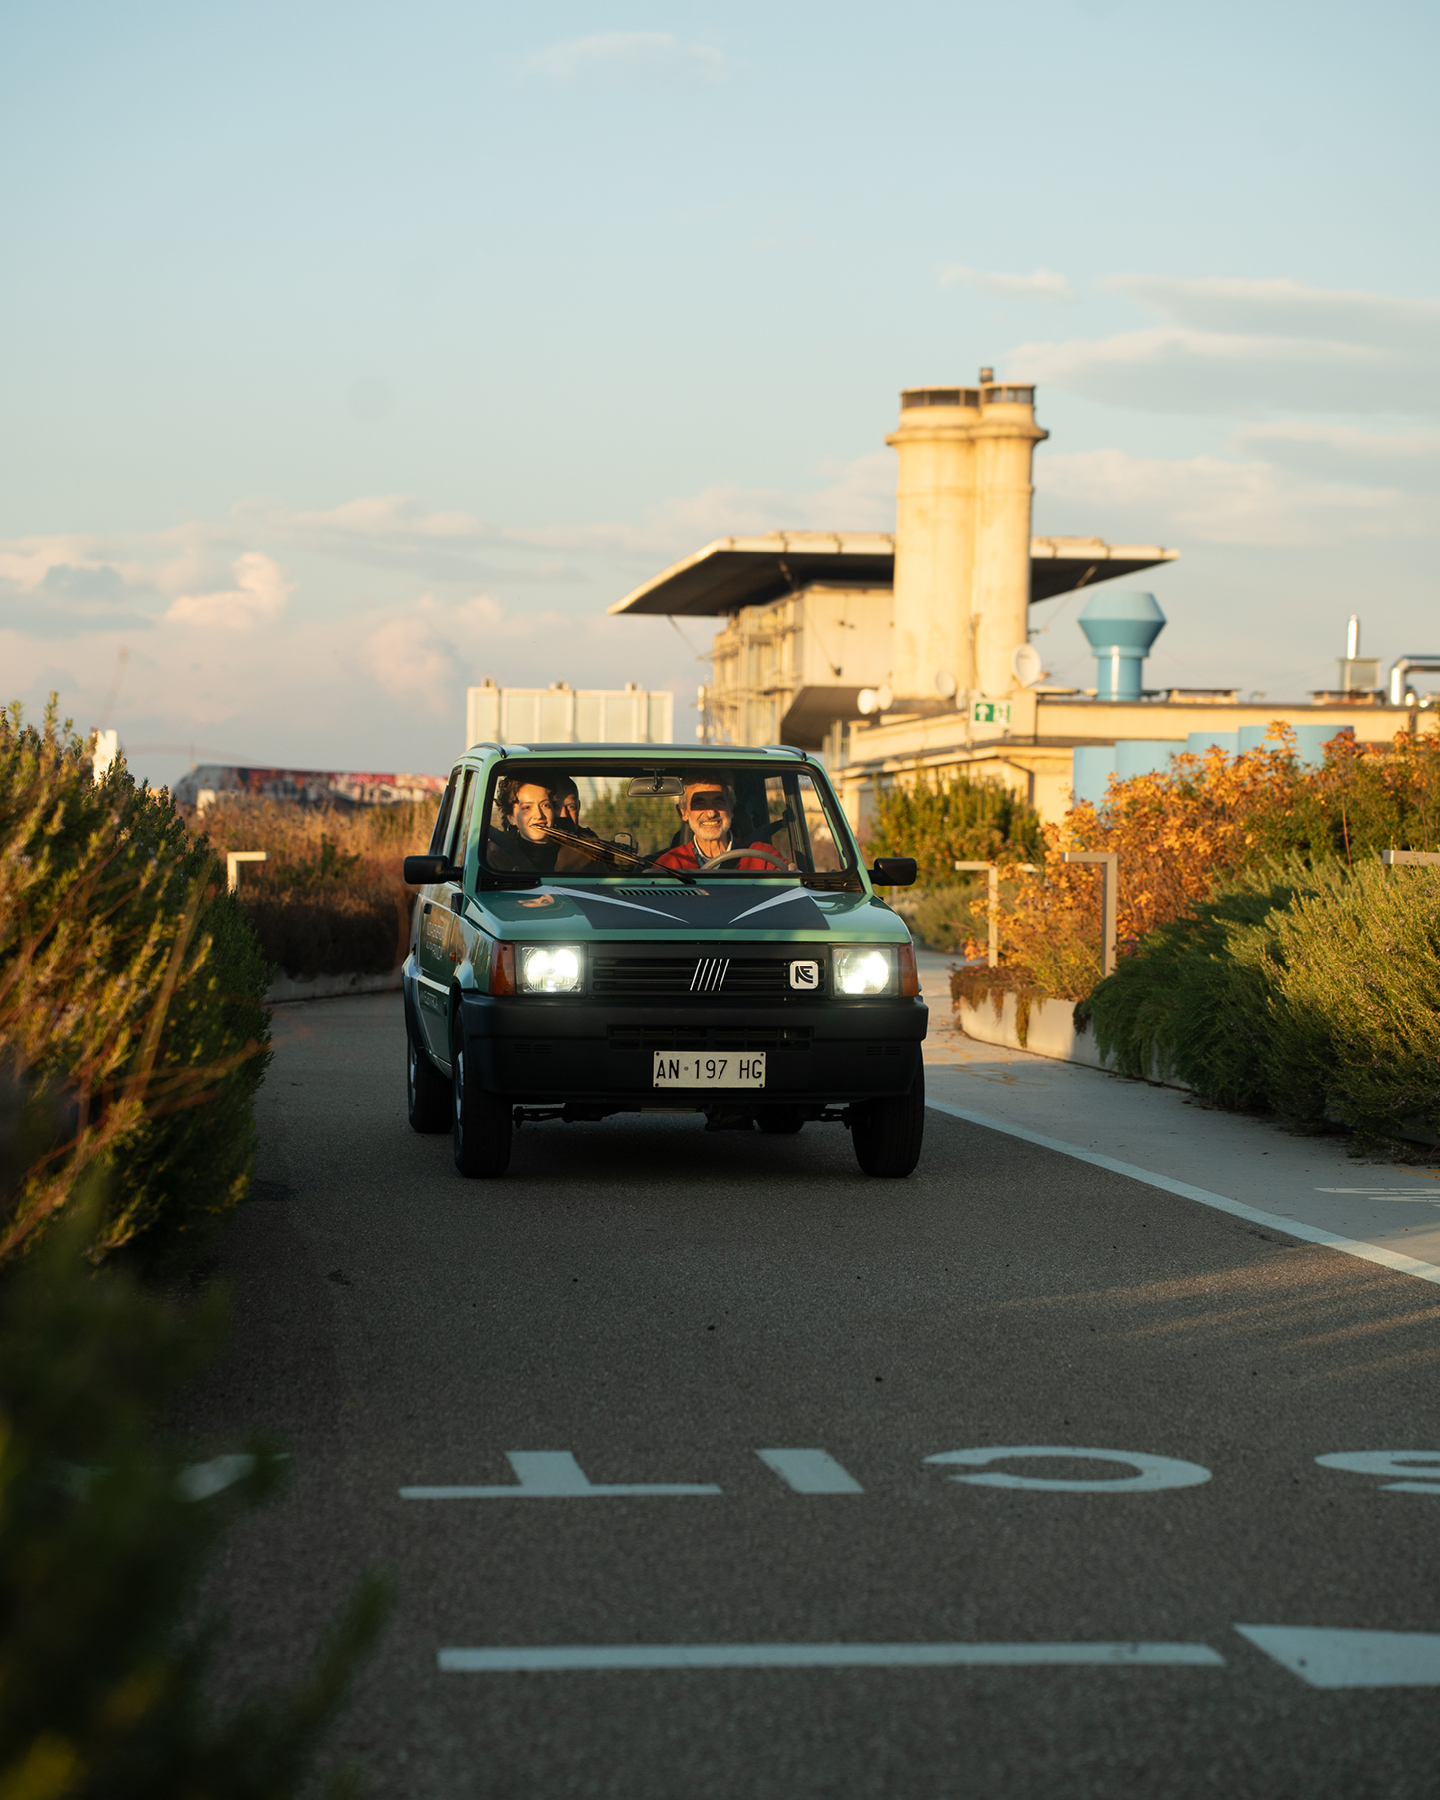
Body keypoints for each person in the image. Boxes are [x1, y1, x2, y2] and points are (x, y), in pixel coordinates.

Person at [653, 777, 787, 873]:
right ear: (683, 812)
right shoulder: (669, 864)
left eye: (719, 801)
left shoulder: (762, 857)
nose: (711, 813)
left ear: (731, 809)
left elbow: (792, 891)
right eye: (699, 803)